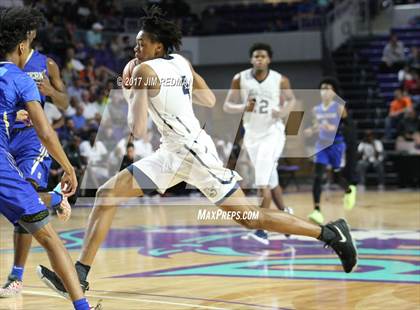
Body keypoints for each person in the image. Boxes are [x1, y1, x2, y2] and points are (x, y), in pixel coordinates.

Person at [37, 7, 357, 299]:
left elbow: (138, 129)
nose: (136, 48)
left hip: (193, 154)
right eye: (136, 43)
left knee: (251, 218)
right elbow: (209, 100)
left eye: (142, 43)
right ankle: (79, 275)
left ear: (158, 47)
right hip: (173, 150)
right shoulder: (181, 63)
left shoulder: (145, 72)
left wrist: (134, 89)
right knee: (108, 193)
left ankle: (330, 233)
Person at [0, 7, 98, 310]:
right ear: (22, 44)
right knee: (50, 237)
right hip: (5, 153)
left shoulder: (47, 65)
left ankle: (51, 201)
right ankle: (81, 308)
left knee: (27, 192)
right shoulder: (18, 77)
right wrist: (68, 168)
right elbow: (46, 130)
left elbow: (64, 100)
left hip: (23, 144)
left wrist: (51, 94)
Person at [223, 42, 295, 244]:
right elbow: (227, 105)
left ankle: (262, 229)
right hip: (252, 135)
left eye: (263, 56)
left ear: (269, 59)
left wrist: (283, 111)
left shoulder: (281, 79)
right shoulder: (240, 78)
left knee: (262, 179)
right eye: (256, 56)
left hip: (273, 133)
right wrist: (242, 106)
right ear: (251, 59)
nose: (259, 59)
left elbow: (291, 101)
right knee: (271, 178)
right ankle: (285, 216)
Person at [304, 77, 357, 225]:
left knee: (336, 177)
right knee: (317, 176)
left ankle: (349, 190)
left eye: (328, 88)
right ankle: (317, 211)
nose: (325, 91)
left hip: (336, 145)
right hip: (322, 145)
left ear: (334, 92)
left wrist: (335, 128)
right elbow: (317, 125)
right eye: (322, 88)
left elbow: (348, 126)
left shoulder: (339, 107)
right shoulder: (316, 109)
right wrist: (310, 130)